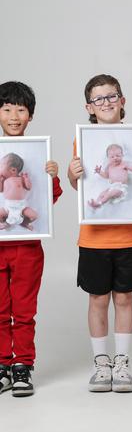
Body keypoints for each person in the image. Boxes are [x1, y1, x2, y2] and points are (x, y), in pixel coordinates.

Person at [67, 74, 132, 393]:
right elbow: (78, 184)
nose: (105, 103)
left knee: (125, 297)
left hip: (129, 235)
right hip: (93, 235)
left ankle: (122, 362)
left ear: (122, 100)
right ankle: (100, 363)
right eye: (98, 99)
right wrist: (72, 174)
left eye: (111, 96)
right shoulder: (84, 139)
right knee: (97, 299)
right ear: (88, 107)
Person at [0, 81, 62, 397]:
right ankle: (2, 365)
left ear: (30, 116)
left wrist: (50, 175)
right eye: (7, 109)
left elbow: (45, 203)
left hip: (27, 249)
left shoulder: (38, 156)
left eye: (20, 110)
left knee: (23, 311)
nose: (13, 116)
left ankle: (22, 365)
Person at [88, 144, 132, 209]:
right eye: (112, 157)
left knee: (109, 194)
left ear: (122, 155)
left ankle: (100, 203)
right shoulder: (109, 166)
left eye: (118, 156)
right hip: (112, 187)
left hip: (121, 188)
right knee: (102, 193)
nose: (115, 158)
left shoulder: (124, 164)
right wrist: (99, 172)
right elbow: (106, 176)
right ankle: (95, 203)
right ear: (108, 157)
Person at [0, 153, 38, 230]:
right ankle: (4, 223)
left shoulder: (21, 179)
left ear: (13, 170)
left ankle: (24, 223)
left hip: (22, 208)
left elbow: (28, 187)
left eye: (0, 166)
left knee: (34, 216)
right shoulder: (4, 180)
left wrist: (26, 179)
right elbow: (1, 190)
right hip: (7, 207)